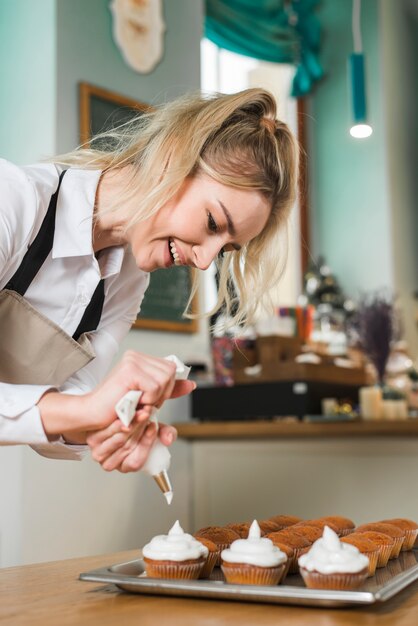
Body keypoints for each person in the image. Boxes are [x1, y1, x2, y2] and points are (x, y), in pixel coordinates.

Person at [0, 88, 299, 473]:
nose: (206, 261)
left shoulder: (126, 282)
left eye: (225, 249)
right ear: (171, 158)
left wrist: (116, 421)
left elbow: (69, 403)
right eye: (212, 223)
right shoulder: (13, 201)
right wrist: (87, 410)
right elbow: (70, 407)